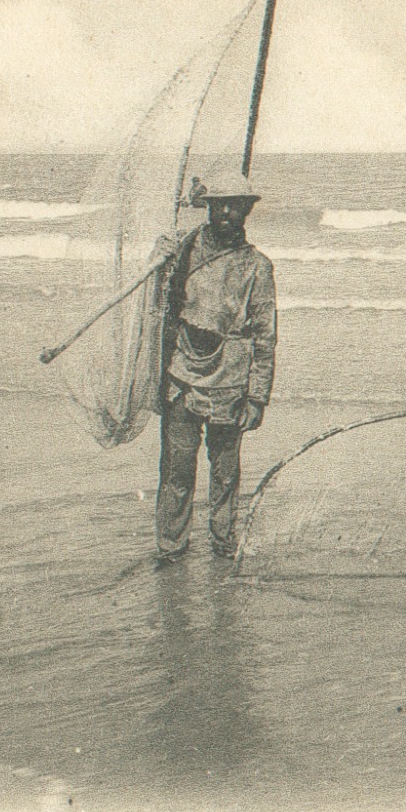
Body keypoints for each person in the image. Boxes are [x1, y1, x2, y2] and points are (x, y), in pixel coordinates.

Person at [151, 172, 277, 560]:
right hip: (182, 375)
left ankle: (223, 543)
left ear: (247, 210)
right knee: (177, 469)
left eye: (235, 205)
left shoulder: (257, 266)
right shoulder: (181, 250)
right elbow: (156, 301)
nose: (225, 212)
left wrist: (257, 397)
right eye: (218, 204)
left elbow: (265, 336)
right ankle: (171, 547)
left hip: (231, 382)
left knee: (224, 473)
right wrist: (159, 259)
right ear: (206, 207)